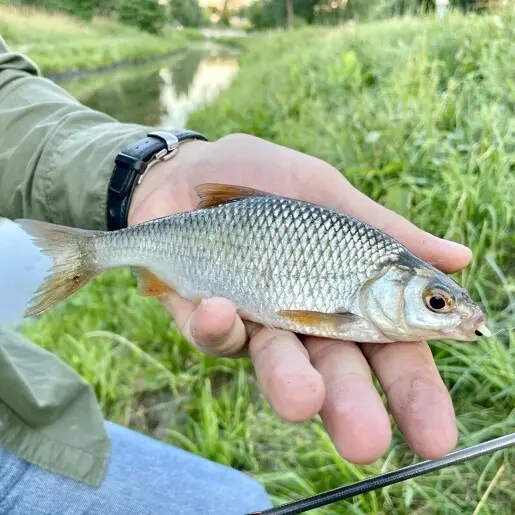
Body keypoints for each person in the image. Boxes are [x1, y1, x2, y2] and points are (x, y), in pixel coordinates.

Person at [0, 35, 473, 514]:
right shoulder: (352, 305)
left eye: (438, 303)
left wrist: (139, 173)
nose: (445, 312)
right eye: (437, 302)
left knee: (241, 500)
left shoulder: (372, 272)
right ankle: (88, 254)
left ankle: (91, 251)